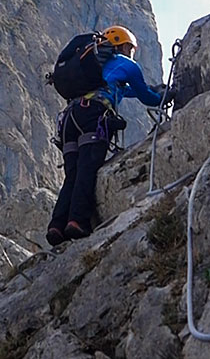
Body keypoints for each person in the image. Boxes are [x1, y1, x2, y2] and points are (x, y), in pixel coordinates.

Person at [47, 25, 171, 246]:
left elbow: (126, 90)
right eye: (130, 48)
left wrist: (154, 89)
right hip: (92, 116)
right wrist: (166, 94)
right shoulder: (127, 65)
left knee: (72, 174)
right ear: (123, 45)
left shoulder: (96, 69)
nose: (131, 53)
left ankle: (56, 226)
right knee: (87, 168)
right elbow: (145, 96)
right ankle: (77, 221)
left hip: (69, 120)